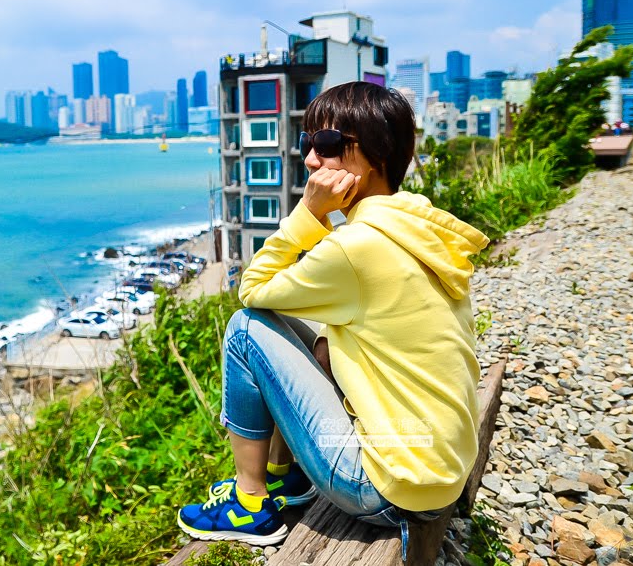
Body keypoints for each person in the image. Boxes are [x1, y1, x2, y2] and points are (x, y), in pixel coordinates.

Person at [177, 82, 489, 558]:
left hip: (387, 487)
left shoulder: (355, 247)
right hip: (439, 467)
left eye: (326, 145)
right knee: (315, 334)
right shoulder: (416, 225)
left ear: (375, 154)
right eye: (308, 143)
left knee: (245, 329)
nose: (310, 160)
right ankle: (285, 476)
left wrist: (307, 212)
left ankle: (249, 503)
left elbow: (252, 289)